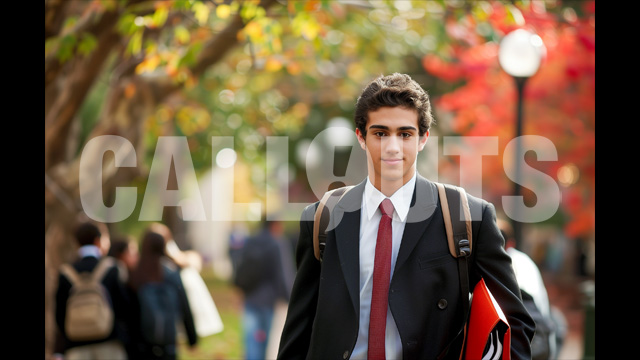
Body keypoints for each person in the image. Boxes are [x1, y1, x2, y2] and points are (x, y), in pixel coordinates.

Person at [277, 73, 536, 359]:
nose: (392, 147)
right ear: (361, 137)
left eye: (404, 134)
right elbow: (298, 331)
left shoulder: (469, 217)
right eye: (380, 133)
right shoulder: (322, 219)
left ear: (423, 138)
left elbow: (515, 324)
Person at [55, 220, 131, 360]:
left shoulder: (65, 273)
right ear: (98, 241)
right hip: (109, 343)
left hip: (76, 347)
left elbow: (60, 314)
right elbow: (124, 308)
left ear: (76, 242)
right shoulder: (112, 269)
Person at [129, 223, 198, 360]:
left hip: (141, 344)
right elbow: (184, 306)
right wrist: (192, 338)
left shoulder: (136, 273)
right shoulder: (171, 272)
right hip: (168, 343)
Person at [234, 219, 291, 360]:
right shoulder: (276, 243)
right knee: (263, 337)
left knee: (251, 338)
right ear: (274, 225)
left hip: (250, 295)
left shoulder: (250, 241)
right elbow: (282, 273)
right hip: (268, 298)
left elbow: (240, 266)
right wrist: (289, 297)